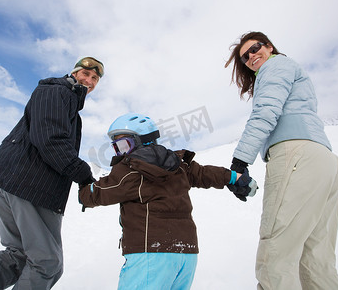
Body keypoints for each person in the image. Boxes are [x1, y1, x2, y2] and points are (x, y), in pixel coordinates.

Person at [0, 57, 105, 290]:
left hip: (17, 180)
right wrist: (83, 174)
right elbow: (50, 140)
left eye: (94, 78)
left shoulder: (65, 98)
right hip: (30, 184)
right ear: (74, 72)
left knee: (17, 256)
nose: (89, 81)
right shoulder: (58, 91)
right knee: (46, 262)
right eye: (85, 74)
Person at [225, 31, 338, 290]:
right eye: (245, 56)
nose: (251, 56)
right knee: (315, 263)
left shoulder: (275, 65)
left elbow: (266, 111)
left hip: (295, 157)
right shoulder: (290, 70)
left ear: (269, 46)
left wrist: (240, 161)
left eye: (255, 47)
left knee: (276, 257)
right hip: (323, 160)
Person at [78, 113, 258, 290]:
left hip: (150, 253)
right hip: (186, 255)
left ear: (142, 140)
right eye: (117, 148)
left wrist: (83, 186)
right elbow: (204, 174)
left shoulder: (130, 169)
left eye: (124, 145)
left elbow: (99, 192)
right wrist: (235, 177)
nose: (121, 152)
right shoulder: (178, 163)